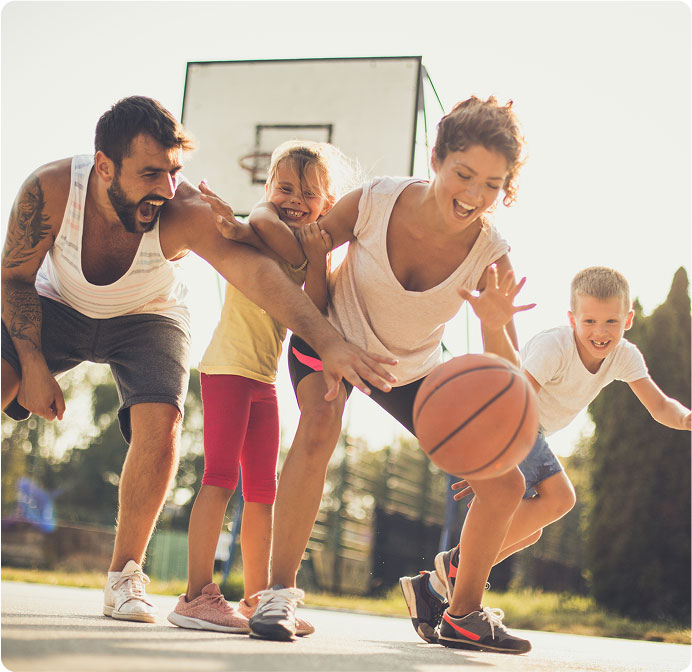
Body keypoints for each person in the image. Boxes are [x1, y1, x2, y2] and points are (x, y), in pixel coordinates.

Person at [0, 96, 396, 624]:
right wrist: (30, 362)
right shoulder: (49, 190)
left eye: (173, 171)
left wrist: (329, 342)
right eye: (149, 174)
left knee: (161, 419)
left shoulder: (181, 209)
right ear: (104, 167)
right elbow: (13, 278)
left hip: (149, 315)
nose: (164, 188)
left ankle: (124, 575)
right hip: (57, 306)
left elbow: (259, 276)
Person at [206, 95, 537, 648]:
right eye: (464, 174)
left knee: (506, 483)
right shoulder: (376, 200)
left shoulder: (490, 252)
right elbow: (302, 245)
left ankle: (461, 612)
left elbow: (507, 373)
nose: (475, 195)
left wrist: (497, 324)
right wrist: (250, 228)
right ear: (436, 158)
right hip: (330, 338)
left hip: (409, 369)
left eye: (493, 185)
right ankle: (277, 594)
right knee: (318, 429)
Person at [402, 265, 691, 647]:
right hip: (509, 422)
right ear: (572, 319)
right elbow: (512, 399)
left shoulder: (624, 355)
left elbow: (659, 405)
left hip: (528, 431)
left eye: (611, 321)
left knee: (530, 530)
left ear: (628, 320)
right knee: (561, 497)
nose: (600, 332)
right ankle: (454, 583)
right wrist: (489, 459)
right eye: (589, 320)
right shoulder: (554, 346)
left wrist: (687, 419)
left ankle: (436, 582)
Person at [168, 140, 352, 634]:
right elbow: (260, 224)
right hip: (227, 369)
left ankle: (257, 597)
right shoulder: (263, 223)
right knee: (219, 479)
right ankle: (195, 595)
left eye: (309, 193)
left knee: (263, 494)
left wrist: (317, 259)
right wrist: (241, 227)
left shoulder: (308, 251)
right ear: (269, 188)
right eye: (285, 187)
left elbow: (312, 313)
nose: (294, 198)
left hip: (263, 380)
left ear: (327, 204)